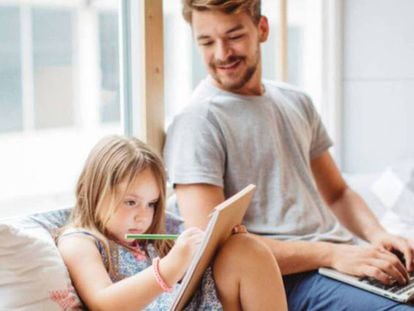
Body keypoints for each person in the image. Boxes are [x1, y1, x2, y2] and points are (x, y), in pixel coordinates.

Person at [163, 0, 414, 309]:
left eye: (234, 36)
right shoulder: (197, 122)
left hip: (340, 264)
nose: (221, 53)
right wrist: (332, 254)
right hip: (283, 279)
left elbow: (337, 194)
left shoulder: (296, 101)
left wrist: (378, 235)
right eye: (206, 42)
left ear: (262, 29)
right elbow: (210, 246)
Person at [57, 135, 287, 311]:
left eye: (151, 204)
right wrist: (170, 266)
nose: (142, 216)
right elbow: (104, 303)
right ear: (94, 191)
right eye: (130, 202)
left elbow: (184, 284)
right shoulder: (80, 241)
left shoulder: (147, 237)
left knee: (245, 250)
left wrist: (215, 245)